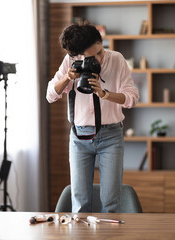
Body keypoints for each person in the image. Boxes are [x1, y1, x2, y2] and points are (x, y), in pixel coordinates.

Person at [46, 24, 139, 213]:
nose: (98, 59)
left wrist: (105, 94)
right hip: (79, 137)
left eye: (100, 52)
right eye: (91, 57)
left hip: (111, 136)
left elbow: (132, 98)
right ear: (79, 55)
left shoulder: (116, 59)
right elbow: (50, 95)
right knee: (80, 202)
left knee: (111, 203)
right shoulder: (71, 60)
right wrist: (67, 78)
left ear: (101, 43)